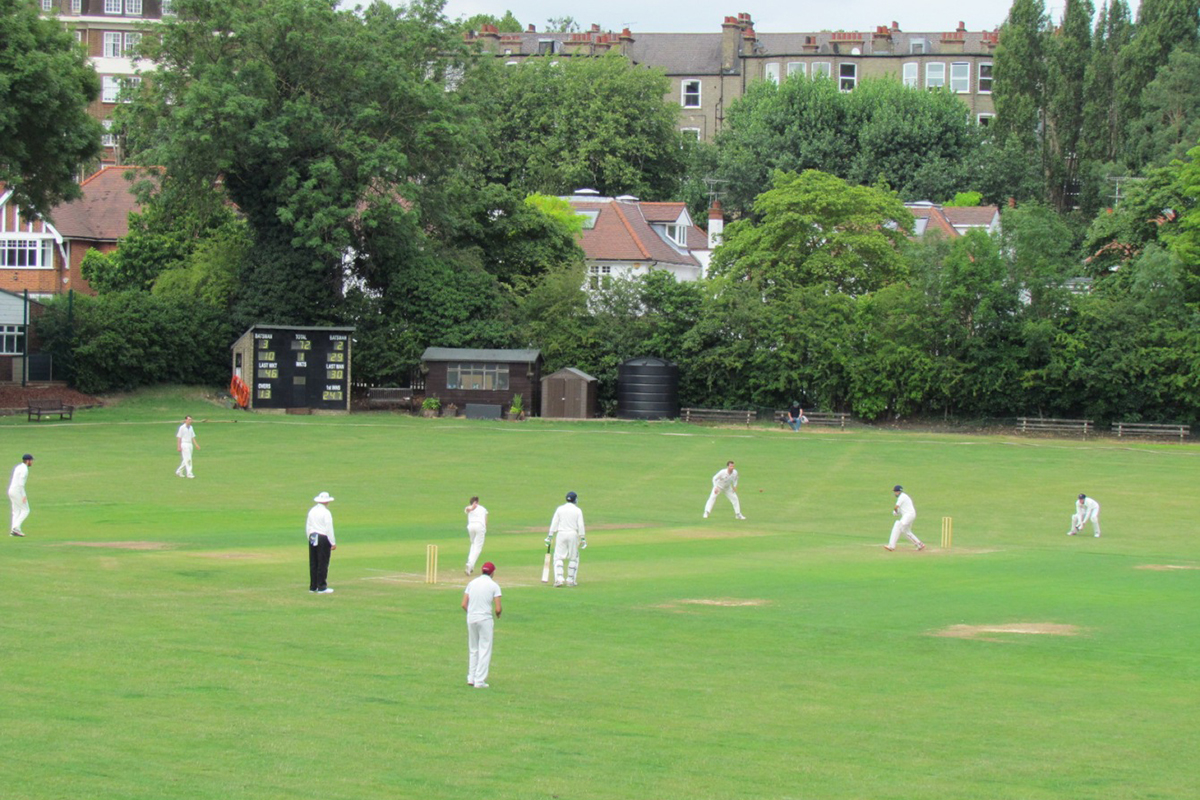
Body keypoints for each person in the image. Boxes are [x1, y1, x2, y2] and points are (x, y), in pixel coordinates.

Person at [462, 561, 502, 689]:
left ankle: (471, 677)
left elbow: (463, 604)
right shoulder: (494, 585)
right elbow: (498, 608)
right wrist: (498, 615)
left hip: (471, 617)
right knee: (484, 649)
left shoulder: (472, 583)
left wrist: (472, 613)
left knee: (473, 648)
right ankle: (479, 681)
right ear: (492, 572)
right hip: (484, 618)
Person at [546, 491, 586, 587]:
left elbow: (554, 522)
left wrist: (550, 535)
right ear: (575, 499)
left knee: (558, 557)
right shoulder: (577, 510)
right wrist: (583, 538)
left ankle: (559, 579)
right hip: (572, 534)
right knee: (573, 557)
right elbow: (580, 525)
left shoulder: (560, 509)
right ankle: (570, 580)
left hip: (561, 534)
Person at [306, 491, 337, 593]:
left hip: (312, 536)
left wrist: (309, 537)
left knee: (314, 562)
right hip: (323, 537)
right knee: (322, 562)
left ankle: (313, 586)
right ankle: (322, 587)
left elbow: (308, 525)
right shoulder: (326, 513)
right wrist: (332, 542)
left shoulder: (312, 511)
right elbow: (329, 528)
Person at [885, 485, 925, 552]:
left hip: (908, 515)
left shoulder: (902, 497)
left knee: (897, 525)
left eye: (895, 492)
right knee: (906, 531)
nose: (895, 493)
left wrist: (895, 511)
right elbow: (899, 511)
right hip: (910, 515)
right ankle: (919, 544)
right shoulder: (903, 497)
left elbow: (896, 507)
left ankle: (891, 546)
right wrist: (896, 512)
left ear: (898, 492)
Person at [9, 453, 33, 537]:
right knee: (26, 510)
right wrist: (23, 496)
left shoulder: (18, 467)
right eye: (31, 461)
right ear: (28, 461)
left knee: (16, 511)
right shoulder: (24, 469)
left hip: (11, 490)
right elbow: (21, 484)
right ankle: (16, 528)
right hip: (17, 491)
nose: (32, 462)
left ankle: (13, 531)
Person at [463, 496, 488, 575]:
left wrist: (471, 509)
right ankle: (470, 564)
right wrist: (484, 529)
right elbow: (486, 520)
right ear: (477, 502)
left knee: (473, 544)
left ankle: (470, 565)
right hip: (479, 526)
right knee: (478, 548)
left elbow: (467, 510)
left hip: (471, 527)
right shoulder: (483, 508)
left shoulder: (468, 507)